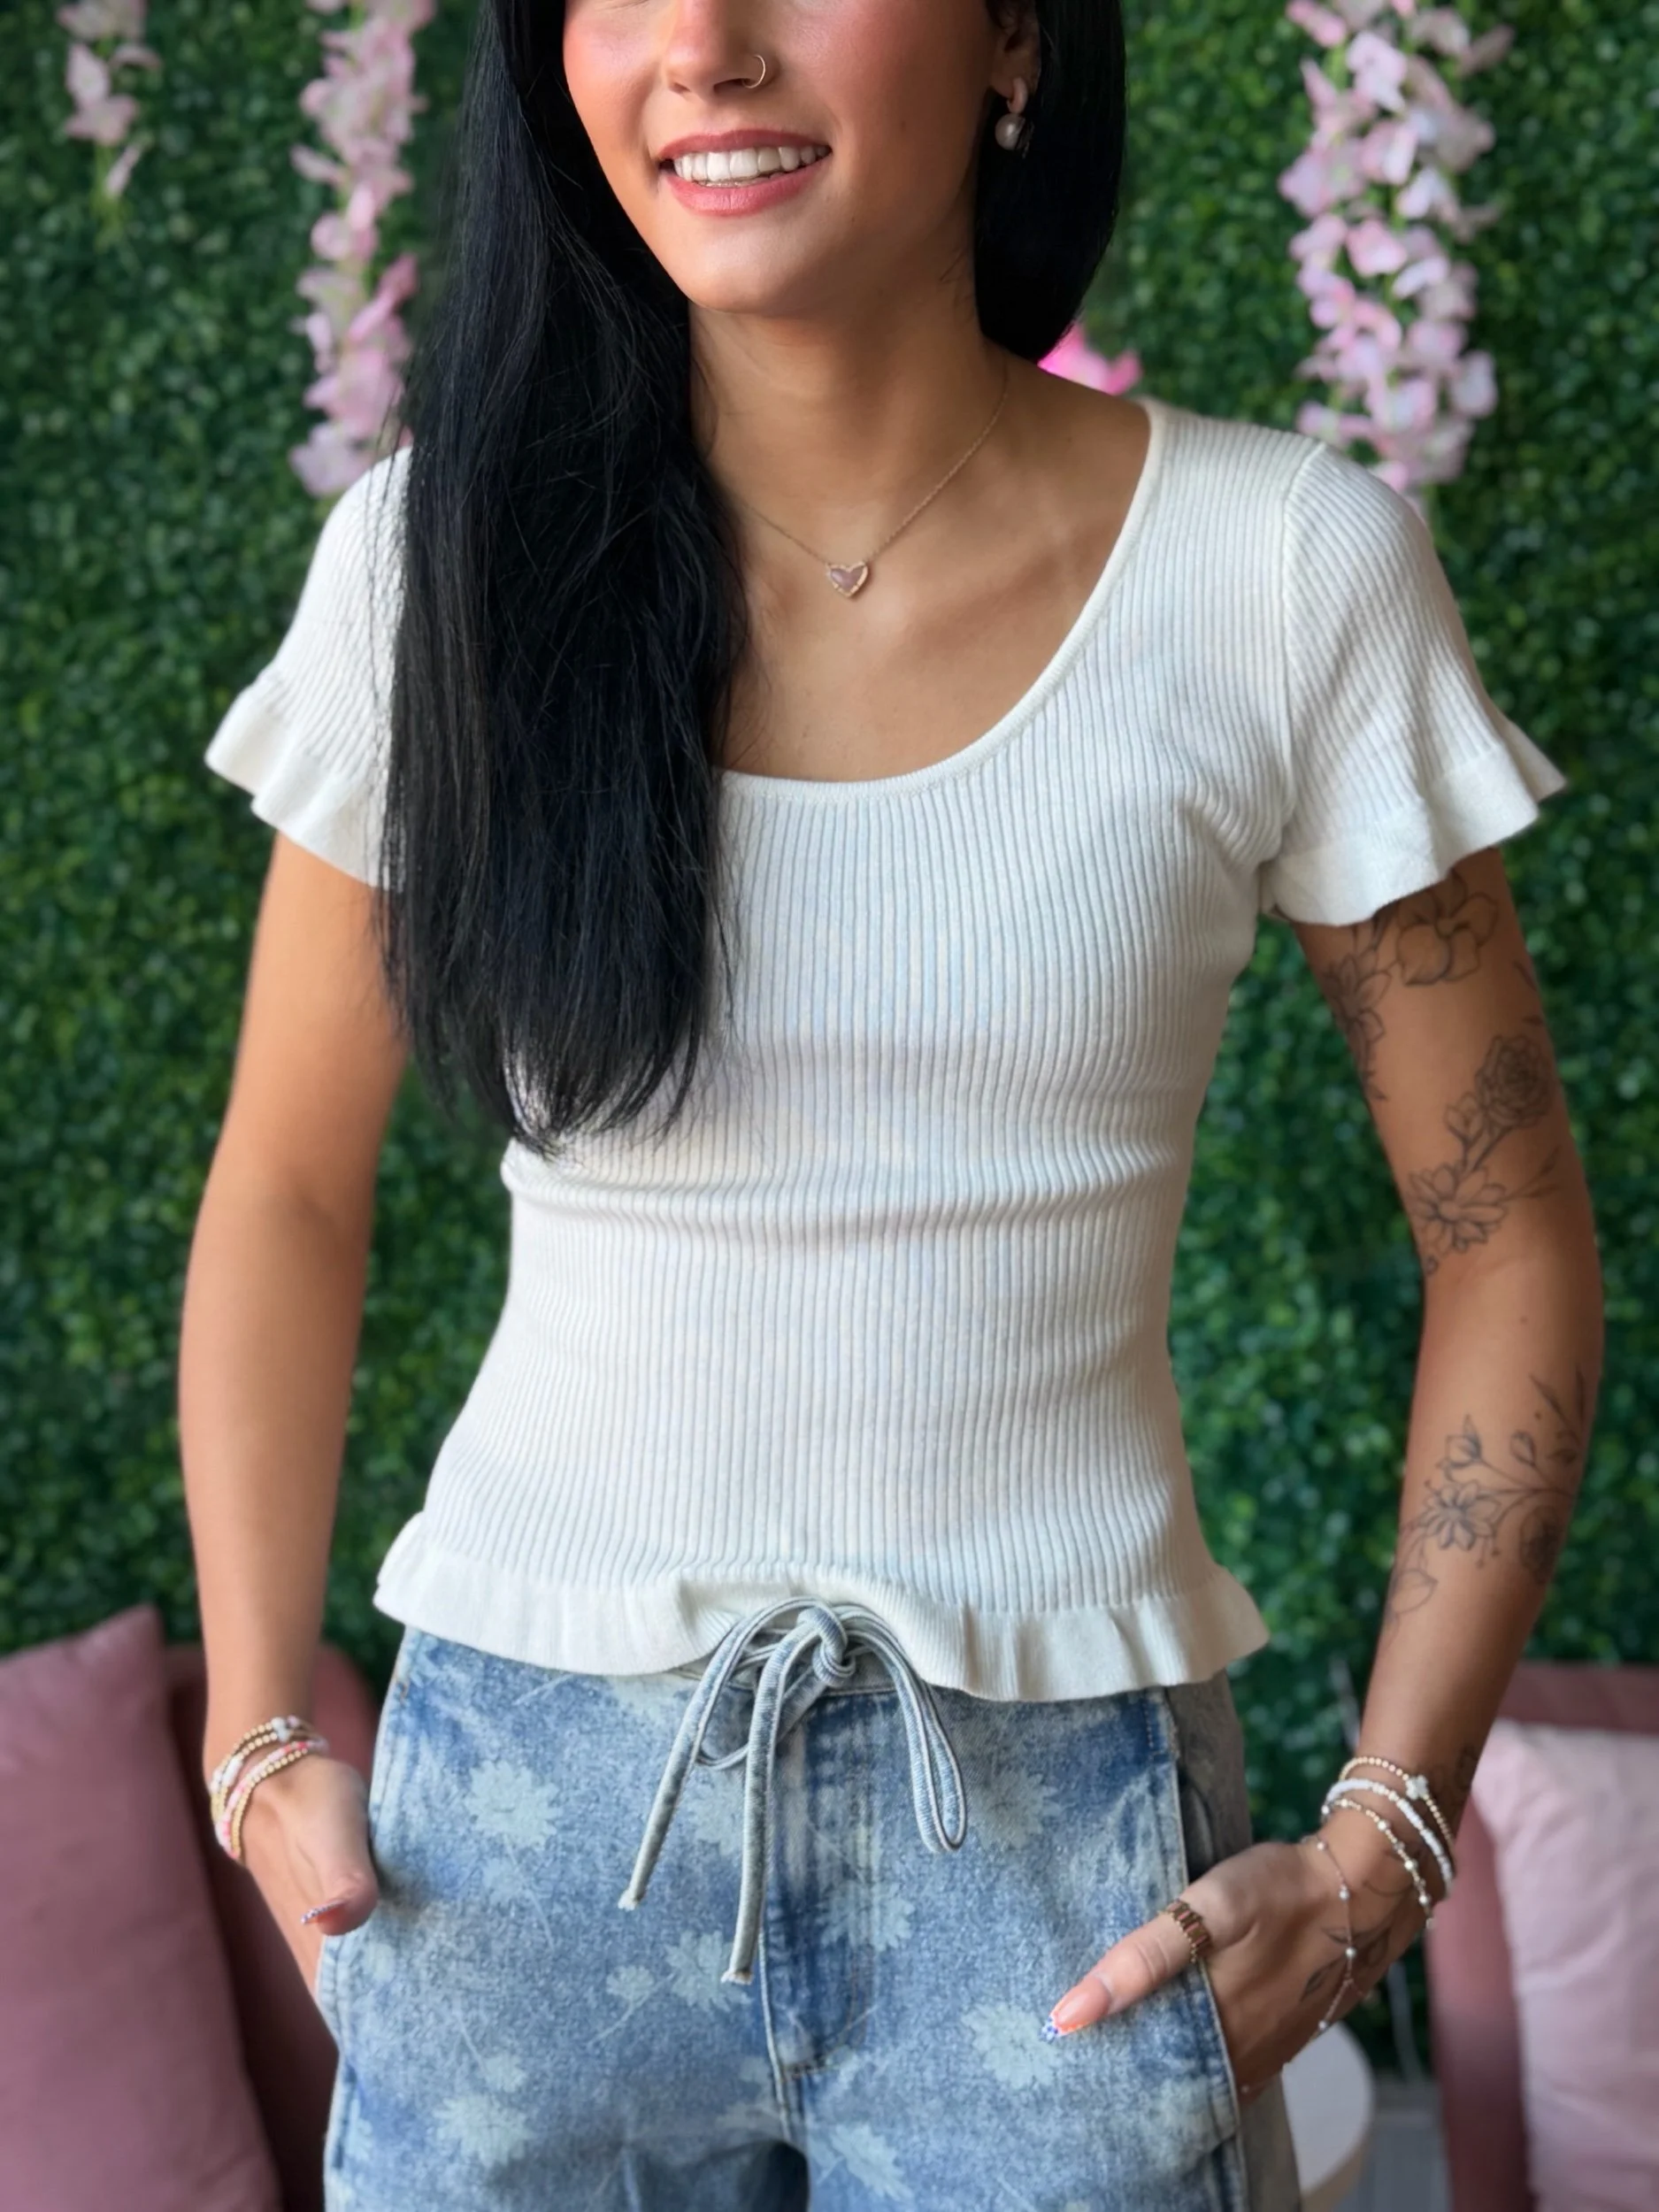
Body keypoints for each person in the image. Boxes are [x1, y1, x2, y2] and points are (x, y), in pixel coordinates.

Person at [179, 1, 1601, 2206]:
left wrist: (1385, 1833)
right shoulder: (433, 564)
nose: (703, 47)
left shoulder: (1281, 571)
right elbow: (285, 1181)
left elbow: (1502, 1232)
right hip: (519, 1844)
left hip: (1059, 1864)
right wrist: (254, 1722)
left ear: (1012, 34)